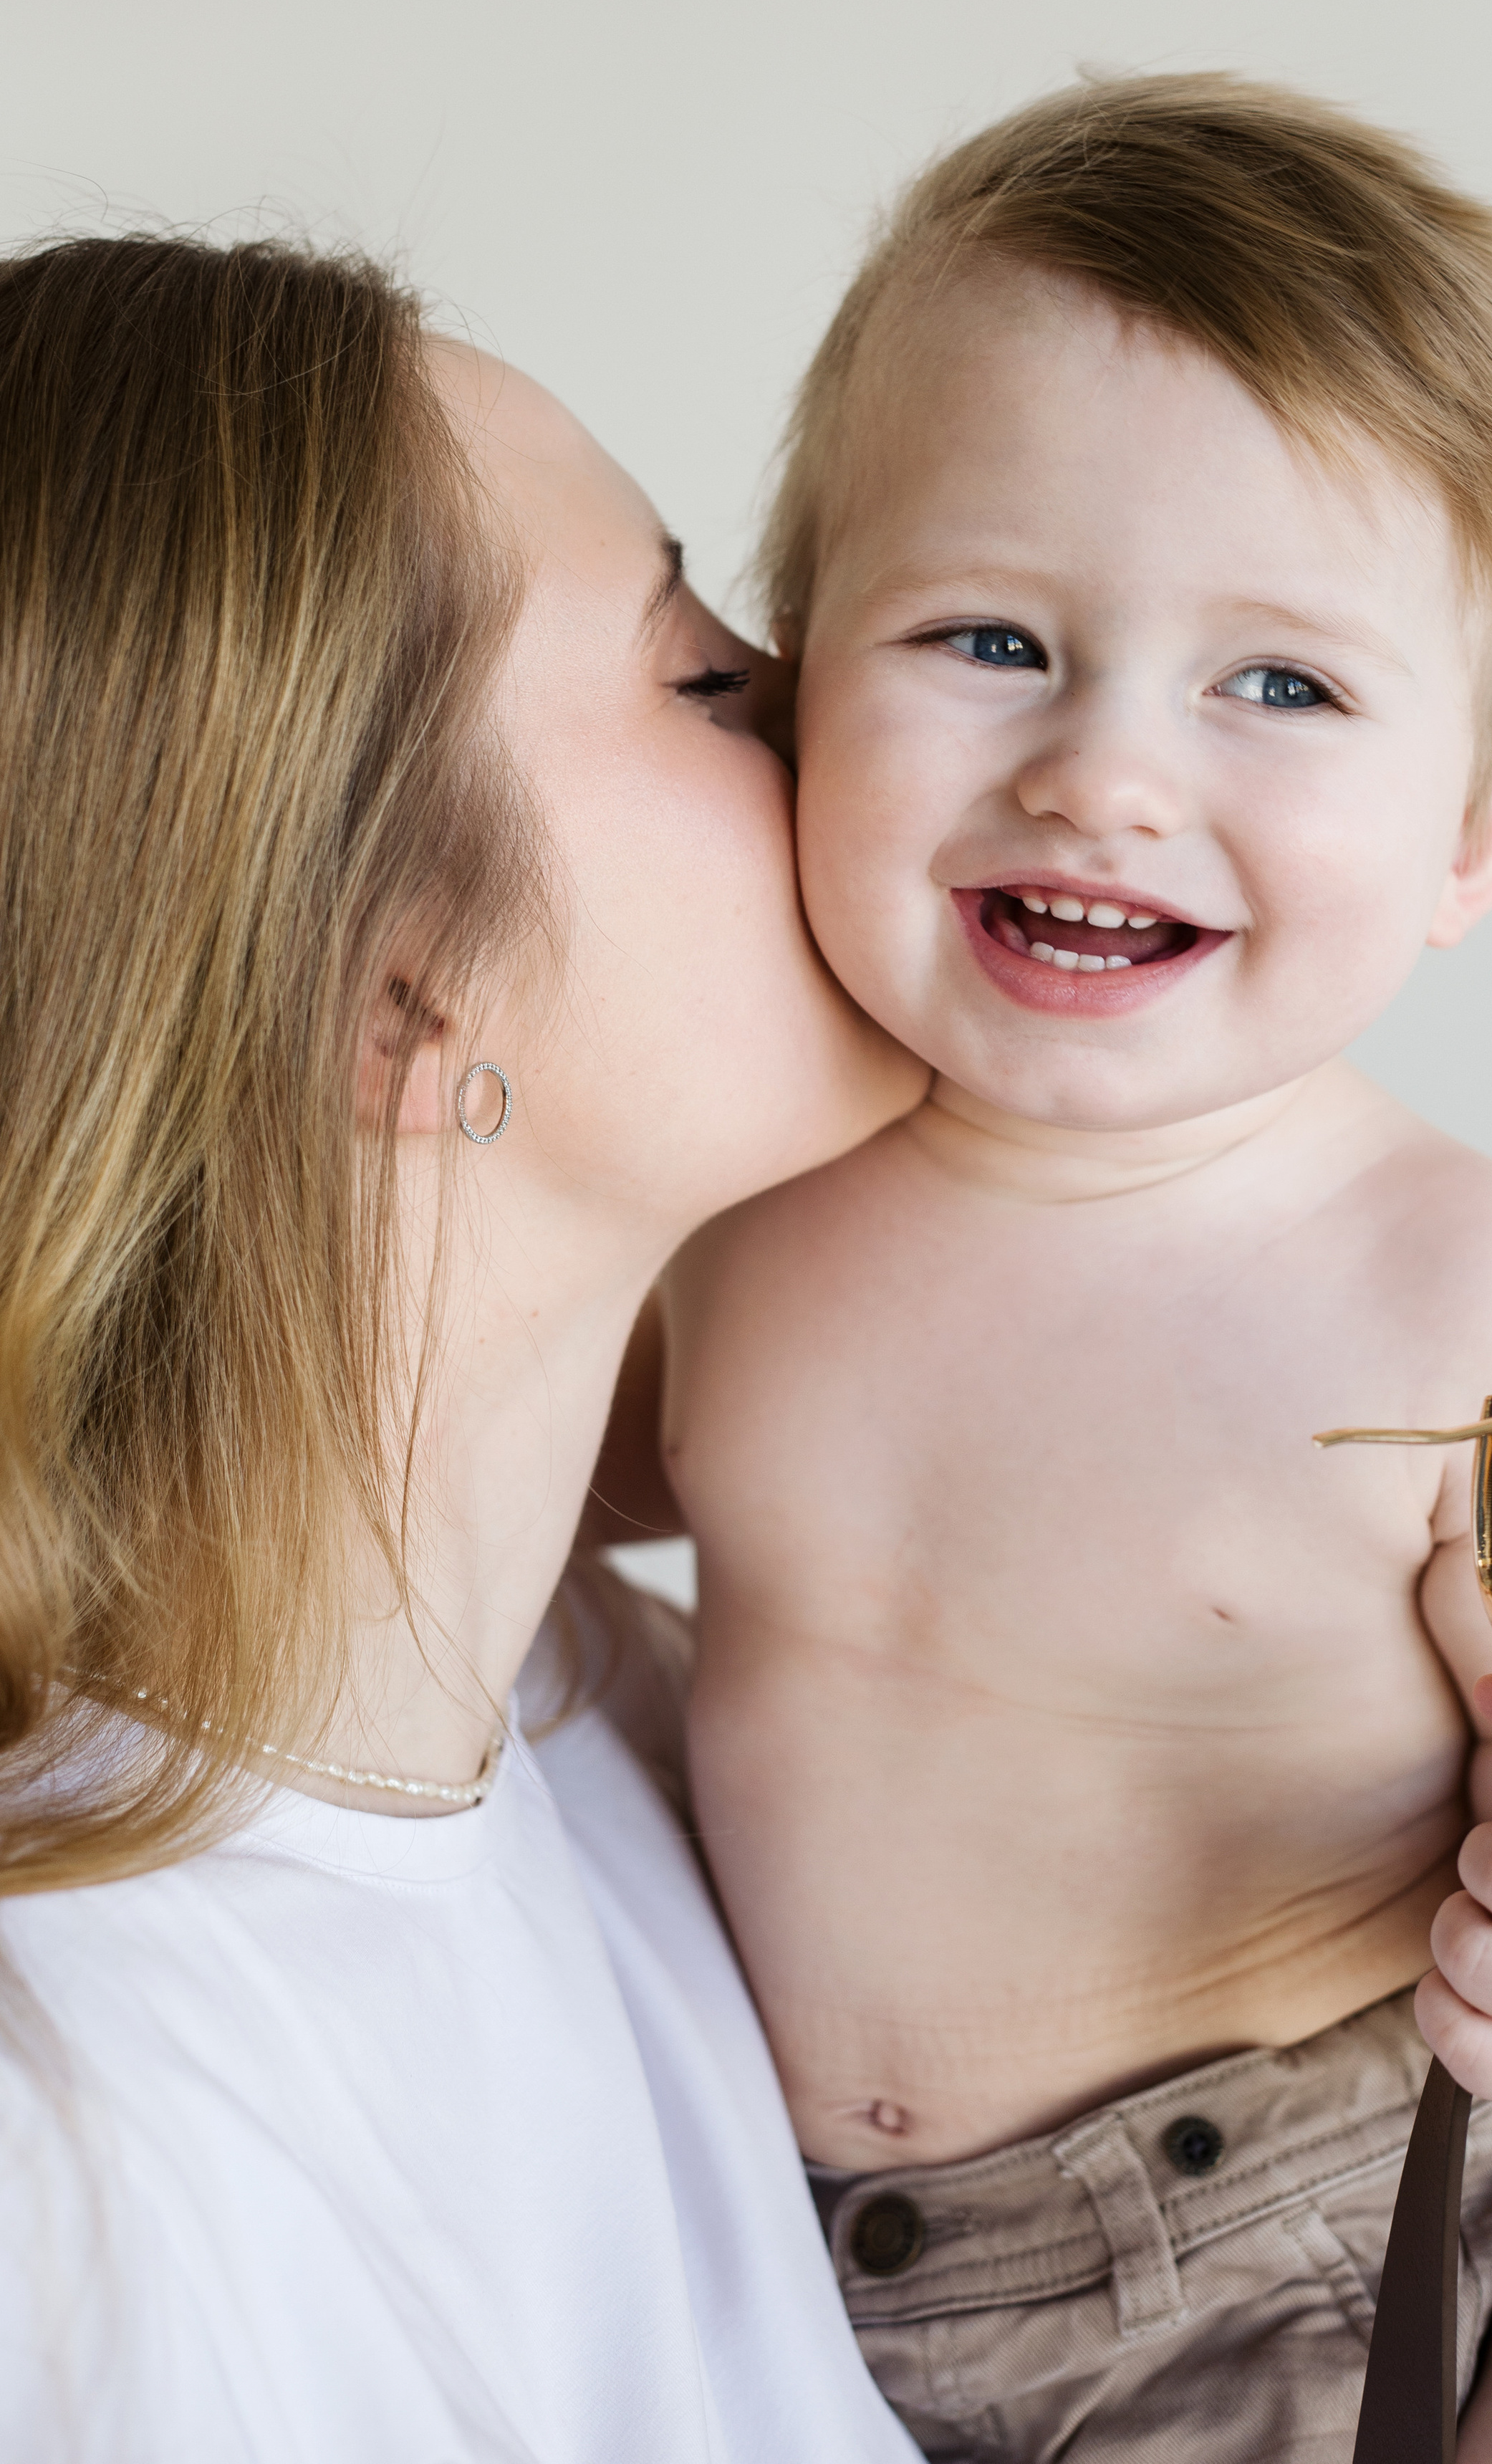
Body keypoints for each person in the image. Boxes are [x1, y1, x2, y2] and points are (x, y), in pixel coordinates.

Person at [602, 77, 1492, 2457]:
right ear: (793, 681)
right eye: (987, 636)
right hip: (811, 2284)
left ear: (1479, 830)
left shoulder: (1458, 1297)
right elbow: (513, 1503)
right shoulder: (736, 1194)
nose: (1107, 775)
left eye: (1278, 685)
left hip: (1314, 2249)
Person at [0, 234, 927, 2460]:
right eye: (697, 673)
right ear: (396, 1004)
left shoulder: (608, 1700)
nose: (854, 704)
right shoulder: (88, 2179)